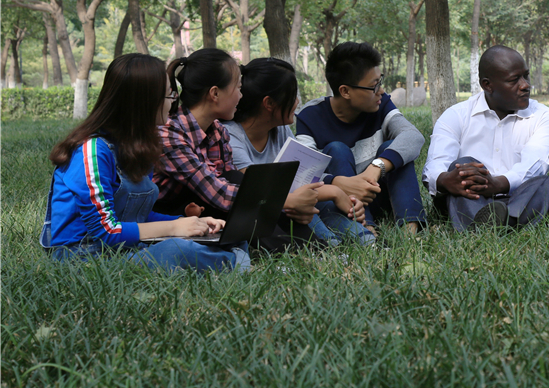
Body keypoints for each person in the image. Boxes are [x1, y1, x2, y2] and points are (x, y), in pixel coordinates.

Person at [42, 53, 247, 272]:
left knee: (225, 237)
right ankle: (238, 265)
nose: (173, 104)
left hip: (125, 249)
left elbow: (138, 215)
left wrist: (193, 223)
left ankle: (230, 258)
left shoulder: (138, 148)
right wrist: (173, 227)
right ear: (145, 102)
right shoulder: (92, 151)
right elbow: (106, 232)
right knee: (176, 250)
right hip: (83, 257)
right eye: (169, 96)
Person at [154, 48, 322, 240]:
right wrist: (286, 201)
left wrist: (286, 204)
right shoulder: (170, 135)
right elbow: (217, 193)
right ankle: (287, 248)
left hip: (206, 204)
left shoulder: (217, 131)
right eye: (238, 88)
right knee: (238, 191)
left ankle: (312, 245)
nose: (241, 96)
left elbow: (231, 182)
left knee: (238, 180)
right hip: (169, 213)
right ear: (215, 93)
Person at [223, 57, 370, 246]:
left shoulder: (279, 129)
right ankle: (330, 245)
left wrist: (338, 194)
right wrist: (334, 192)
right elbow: (258, 195)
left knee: (318, 203)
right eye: (292, 96)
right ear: (269, 104)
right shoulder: (230, 137)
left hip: (290, 202)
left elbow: (299, 180)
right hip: (267, 213)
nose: (298, 102)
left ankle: (365, 239)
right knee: (300, 207)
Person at [423, 46, 549, 232]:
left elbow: (534, 166)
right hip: (469, 196)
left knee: (547, 184)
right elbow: (434, 166)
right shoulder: (456, 115)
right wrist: (446, 179)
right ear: (487, 85)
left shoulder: (544, 117)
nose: (525, 85)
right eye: (514, 80)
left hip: (517, 197)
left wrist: (497, 184)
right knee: (465, 166)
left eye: (525, 76)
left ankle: (483, 228)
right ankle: (501, 224)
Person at [295, 42, 427, 236]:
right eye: (374, 87)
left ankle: (410, 229)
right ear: (345, 91)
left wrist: (377, 167)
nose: (381, 91)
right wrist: (338, 183)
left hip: (379, 194)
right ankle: (366, 228)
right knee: (336, 149)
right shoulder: (310, 116)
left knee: (395, 148)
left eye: (380, 82)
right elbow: (303, 174)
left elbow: (412, 136)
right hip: (340, 203)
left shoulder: (381, 105)